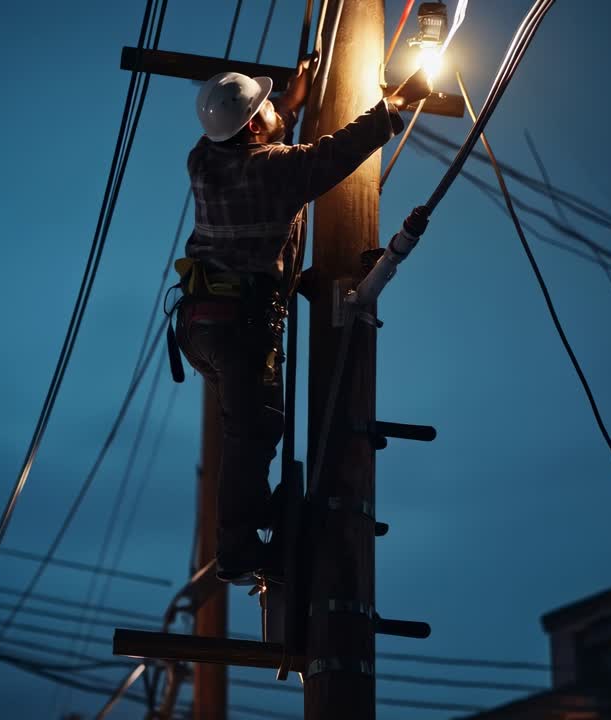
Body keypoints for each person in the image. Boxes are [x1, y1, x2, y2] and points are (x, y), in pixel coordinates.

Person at [173, 60, 431, 583]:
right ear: (252, 127)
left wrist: (288, 100)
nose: (274, 110)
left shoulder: (202, 159)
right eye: (264, 108)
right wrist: (394, 107)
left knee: (247, 429)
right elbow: (333, 155)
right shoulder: (275, 170)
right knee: (254, 429)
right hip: (239, 328)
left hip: (199, 324)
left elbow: (255, 132)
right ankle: (238, 551)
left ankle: (255, 513)